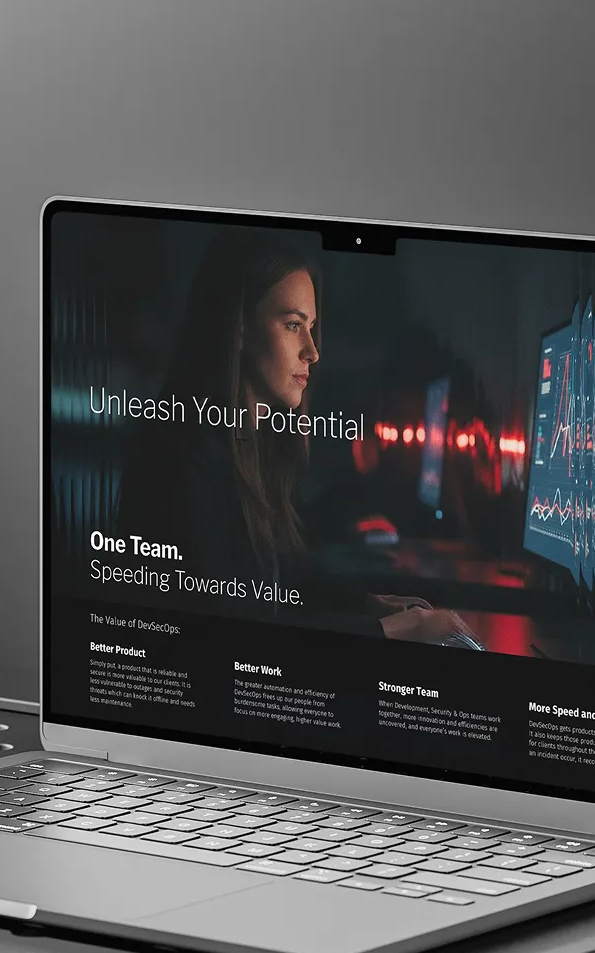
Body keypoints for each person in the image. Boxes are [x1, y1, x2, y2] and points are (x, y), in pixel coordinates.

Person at [114, 227, 477, 644]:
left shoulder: (250, 443)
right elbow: (232, 625)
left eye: (311, 327)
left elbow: (279, 571)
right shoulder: (181, 455)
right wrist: (390, 631)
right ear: (239, 329)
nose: (312, 351)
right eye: (292, 325)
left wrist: (368, 605)